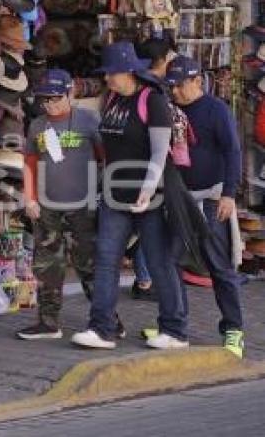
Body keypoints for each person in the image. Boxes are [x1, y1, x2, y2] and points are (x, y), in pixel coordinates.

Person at [72, 42, 187, 350]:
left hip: (150, 197)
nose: (107, 79)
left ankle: (174, 330)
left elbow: (161, 151)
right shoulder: (110, 99)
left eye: (111, 73)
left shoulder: (152, 101)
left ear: (127, 71)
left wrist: (147, 190)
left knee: (158, 262)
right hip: (114, 194)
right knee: (106, 260)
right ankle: (102, 328)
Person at [163, 56, 244, 357]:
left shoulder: (216, 110)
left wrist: (229, 194)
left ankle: (234, 329)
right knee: (169, 261)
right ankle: (174, 325)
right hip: (179, 197)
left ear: (197, 81)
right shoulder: (169, 110)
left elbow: (233, 151)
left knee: (218, 266)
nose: (175, 92)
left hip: (211, 198)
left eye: (180, 86)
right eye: (171, 86)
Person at [17, 69, 106, 340]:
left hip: (83, 206)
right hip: (47, 206)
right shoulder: (37, 126)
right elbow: (29, 164)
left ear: (70, 93)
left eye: (55, 98)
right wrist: (29, 197)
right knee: (46, 266)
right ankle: (48, 321)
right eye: (44, 100)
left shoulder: (89, 120)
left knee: (88, 264)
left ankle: (106, 319)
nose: (50, 104)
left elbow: (105, 159)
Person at [127, 36, 177, 300]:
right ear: (162, 58)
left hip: (133, 169)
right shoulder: (152, 91)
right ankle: (147, 279)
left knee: (143, 225)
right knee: (150, 223)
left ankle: (144, 277)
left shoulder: (138, 88)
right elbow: (159, 146)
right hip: (150, 169)